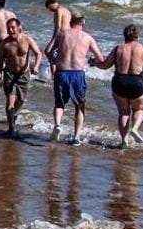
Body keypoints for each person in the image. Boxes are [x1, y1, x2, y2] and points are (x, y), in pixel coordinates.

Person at [93, 24, 143, 148]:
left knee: (123, 113)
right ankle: (134, 128)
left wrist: (95, 63)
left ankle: (124, 142)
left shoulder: (118, 49)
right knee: (139, 109)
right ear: (137, 36)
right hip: (136, 83)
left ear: (124, 36)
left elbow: (106, 65)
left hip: (119, 82)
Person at [44, 11, 105, 146]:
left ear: (71, 21)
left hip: (61, 72)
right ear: (83, 22)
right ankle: (76, 137)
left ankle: (57, 125)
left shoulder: (61, 34)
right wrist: (92, 62)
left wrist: (54, 61)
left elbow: (47, 51)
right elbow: (101, 58)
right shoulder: (87, 37)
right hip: (77, 74)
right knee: (79, 106)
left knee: (59, 103)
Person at [0, 17, 43, 136]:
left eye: (13, 27)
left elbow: (38, 53)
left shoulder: (27, 39)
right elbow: (0, 61)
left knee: (21, 100)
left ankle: (12, 115)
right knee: (10, 100)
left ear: (19, 28)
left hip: (23, 74)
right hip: (9, 73)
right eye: (9, 28)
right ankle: (11, 128)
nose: (11, 30)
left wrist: (36, 66)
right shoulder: (4, 43)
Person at [43, 0, 72, 73]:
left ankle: (54, 74)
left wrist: (53, 40)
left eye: (50, 8)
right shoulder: (67, 10)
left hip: (61, 35)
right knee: (61, 54)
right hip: (69, 35)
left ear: (52, 4)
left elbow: (58, 27)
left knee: (48, 51)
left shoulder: (58, 10)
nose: (50, 10)